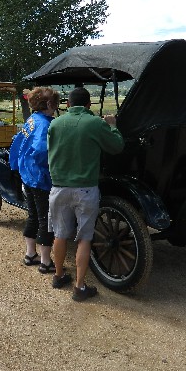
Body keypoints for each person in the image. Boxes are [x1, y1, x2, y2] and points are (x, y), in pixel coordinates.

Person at [47, 87, 124, 301]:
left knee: (60, 234)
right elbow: (116, 147)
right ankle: (80, 288)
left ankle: (59, 275)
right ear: (89, 105)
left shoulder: (55, 123)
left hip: (59, 187)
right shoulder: (95, 123)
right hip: (85, 188)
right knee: (84, 239)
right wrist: (113, 126)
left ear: (68, 104)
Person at [9, 87, 59, 274]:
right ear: (48, 104)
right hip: (40, 177)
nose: (56, 105)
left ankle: (30, 254)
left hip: (27, 174)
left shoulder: (32, 120)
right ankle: (45, 262)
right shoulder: (45, 124)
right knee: (46, 219)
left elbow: (17, 143)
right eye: (55, 102)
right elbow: (41, 150)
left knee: (33, 216)